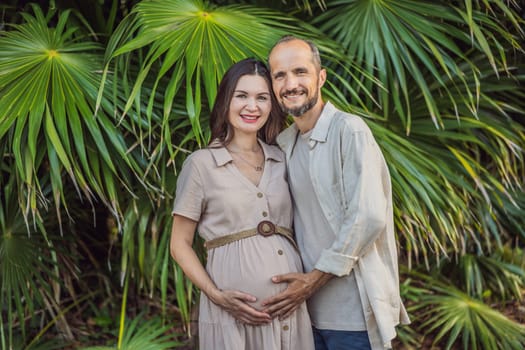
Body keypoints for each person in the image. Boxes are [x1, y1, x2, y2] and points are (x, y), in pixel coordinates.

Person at [261, 36, 410, 349]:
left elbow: (368, 217)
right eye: (280, 75)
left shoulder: (349, 130)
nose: (291, 84)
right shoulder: (285, 144)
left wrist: (312, 281)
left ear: (321, 77)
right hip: (303, 315)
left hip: (351, 316)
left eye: (300, 72)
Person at [170, 58, 314, 350]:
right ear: (226, 100)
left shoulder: (282, 158)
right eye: (242, 96)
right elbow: (179, 244)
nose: (253, 106)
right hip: (232, 316)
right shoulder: (201, 164)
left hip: (290, 312)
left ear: (272, 105)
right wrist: (215, 295)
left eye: (262, 97)